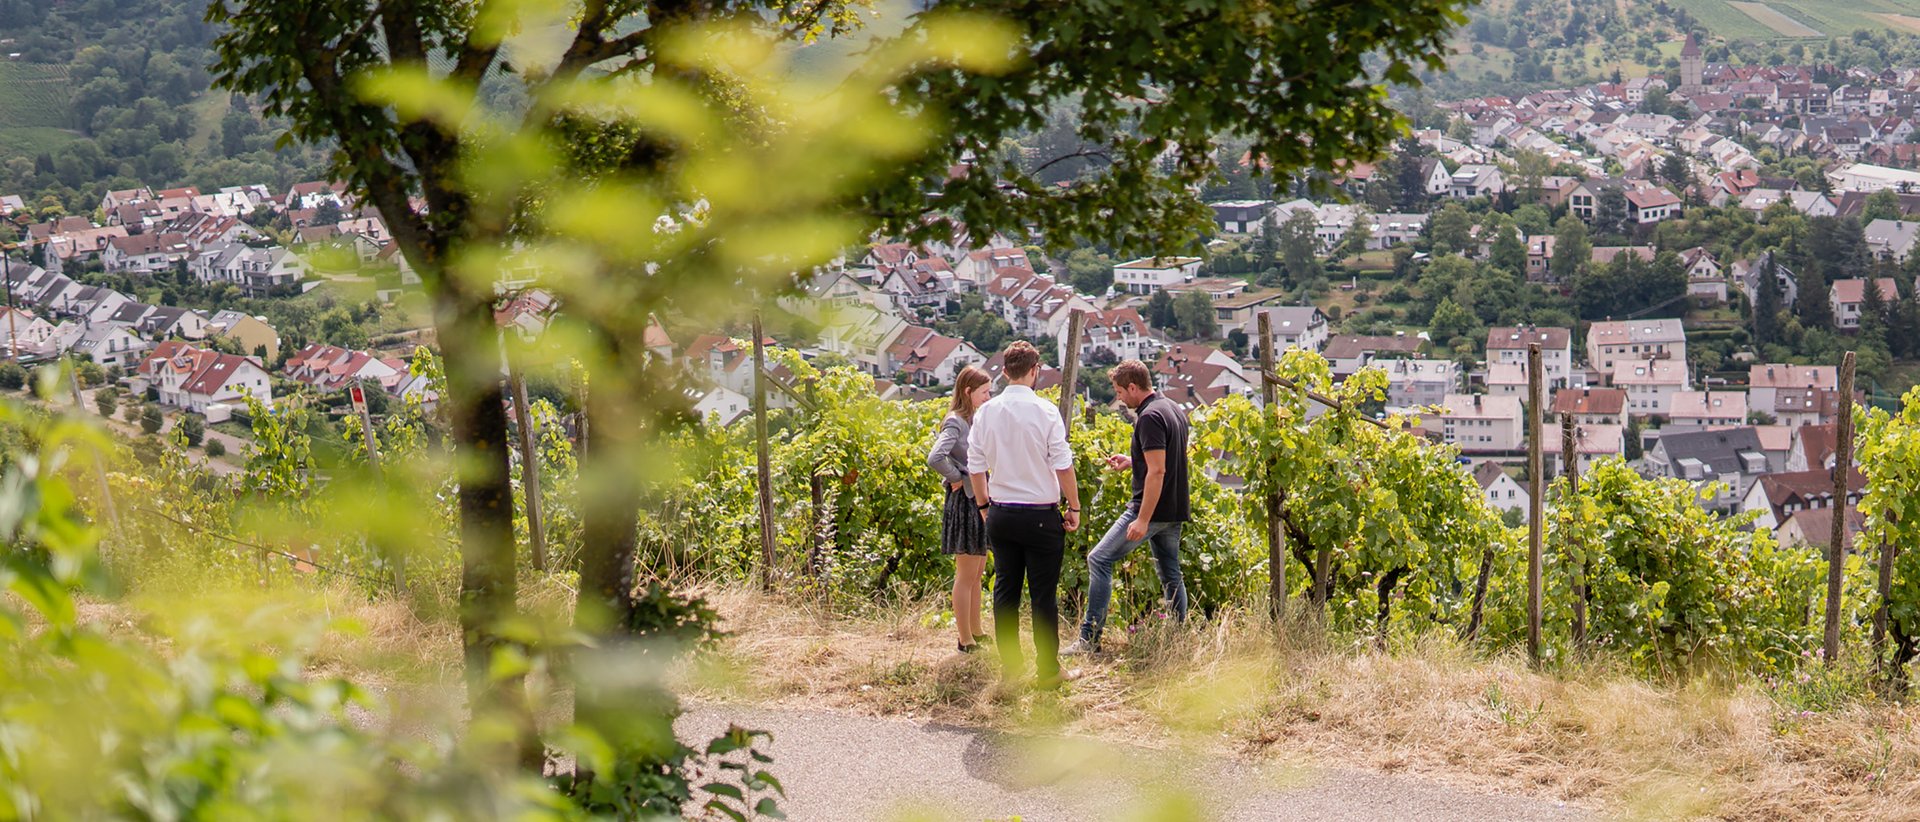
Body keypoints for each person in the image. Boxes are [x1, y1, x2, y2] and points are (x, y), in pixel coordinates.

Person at [967, 341, 1081, 689]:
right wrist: (1074, 507)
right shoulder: (1046, 412)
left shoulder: (987, 411)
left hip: (1001, 513)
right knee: (1042, 597)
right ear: (1036, 371)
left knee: (1005, 592)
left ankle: (1011, 670)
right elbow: (1063, 465)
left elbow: (975, 464)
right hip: (1041, 516)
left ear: (1004, 372)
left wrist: (985, 505)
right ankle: (1048, 671)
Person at [1063, 359, 1189, 654]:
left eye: (1120, 391)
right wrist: (1133, 462)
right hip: (1175, 508)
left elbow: (1158, 472)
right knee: (1171, 573)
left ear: (1133, 387)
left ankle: (1088, 639)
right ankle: (1179, 638)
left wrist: (1142, 519)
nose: (1118, 397)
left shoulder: (1148, 418)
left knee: (1099, 559)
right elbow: (1167, 459)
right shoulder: (1172, 408)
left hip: (1152, 509)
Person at [927, 365, 993, 653]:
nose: (989, 397)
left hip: (976, 498)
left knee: (977, 571)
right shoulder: (955, 421)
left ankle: (976, 630)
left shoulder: (971, 418)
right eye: (984, 392)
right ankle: (964, 639)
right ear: (968, 391)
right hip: (965, 502)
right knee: (966, 574)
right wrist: (956, 478)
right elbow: (935, 457)